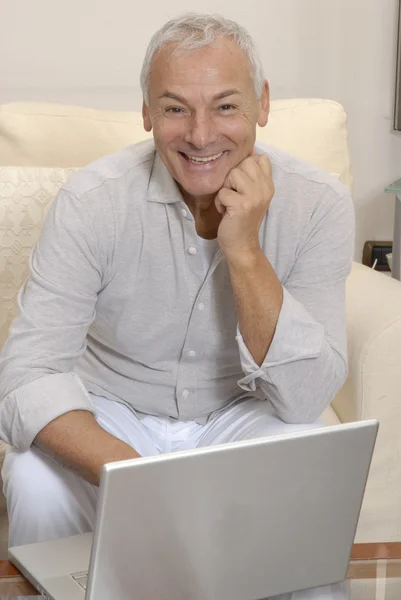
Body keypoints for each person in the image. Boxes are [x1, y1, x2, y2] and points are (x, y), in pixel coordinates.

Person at [0, 13, 353, 600]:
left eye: (225, 106)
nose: (200, 133)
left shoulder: (319, 204)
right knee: (36, 482)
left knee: (307, 504)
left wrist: (244, 252)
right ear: (145, 113)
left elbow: (305, 397)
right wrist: (141, 477)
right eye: (174, 108)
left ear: (263, 104)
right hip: (110, 410)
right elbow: (29, 373)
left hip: (242, 411)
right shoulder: (92, 202)